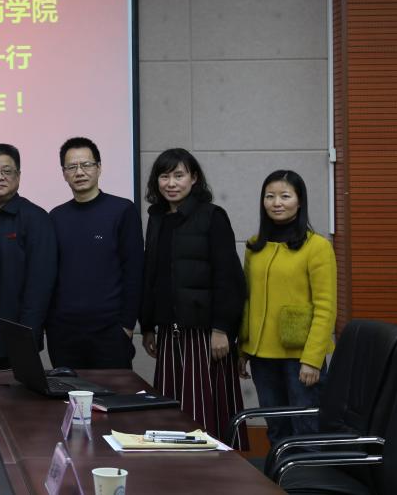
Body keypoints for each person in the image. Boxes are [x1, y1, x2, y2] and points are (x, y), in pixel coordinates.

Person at [140, 148, 247, 445]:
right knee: (171, 411)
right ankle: (176, 465)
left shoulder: (212, 216)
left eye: (179, 175)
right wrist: (147, 325)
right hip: (169, 330)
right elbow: (151, 276)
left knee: (202, 410)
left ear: (194, 178)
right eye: (164, 176)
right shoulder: (157, 218)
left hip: (205, 333)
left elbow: (229, 277)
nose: (171, 183)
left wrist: (222, 328)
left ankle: (213, 466)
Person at [238, 170, 336, 445]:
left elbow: (326, 307)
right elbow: (247, 300)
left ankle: (308, 474)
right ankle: (280, 473)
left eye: (285, 196)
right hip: (261, 356)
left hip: (300, 358)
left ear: (300, 200)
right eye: (270, 196)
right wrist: (242, 348)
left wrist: (313, 359)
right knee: (276, 429)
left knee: (306, 429)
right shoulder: (255, 246)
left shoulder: (317, 247)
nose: (276, 203)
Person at [45, 137, 143, 370]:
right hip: (64, 333)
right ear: (64, 173)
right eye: (71, 167)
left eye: (86, 165)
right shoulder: (56, 217)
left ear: (99, 168)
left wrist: (127, 325)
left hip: (110, 331)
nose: (79, 172)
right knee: (68, 393)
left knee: (113, 393)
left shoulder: (122, 210)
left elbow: (134, 271)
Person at [0, 143, 56, 366]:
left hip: (15, 334)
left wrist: (27, 336)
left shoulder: (36, 218)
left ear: (18, 175)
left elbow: (40, 286)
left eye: (7, 171)